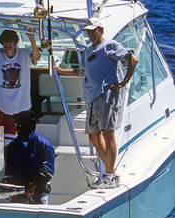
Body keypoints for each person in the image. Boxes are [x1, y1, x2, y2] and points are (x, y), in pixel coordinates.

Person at [55, 18, 138, 189]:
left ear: (101, 30)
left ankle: (109, 175)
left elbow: (133, 60)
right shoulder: (87, 51)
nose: (90, 34)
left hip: (106, 95)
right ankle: (111, 172)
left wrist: (124, 82)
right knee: (93, 137)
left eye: (93, 31)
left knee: (108, 134)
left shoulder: (110, 46)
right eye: (88, 31)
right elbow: (81, 72)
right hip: (91, 98)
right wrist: (61, 71)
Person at [3, 109, 55, 204]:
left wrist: (34, 185)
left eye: (20, 125)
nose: (18, 128)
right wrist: (11, 188)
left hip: (38, 195)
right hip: (17, 196)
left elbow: (47, 171)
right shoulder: (12, 146)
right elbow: (9, 172)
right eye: (17, 125)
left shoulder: (45, 145)